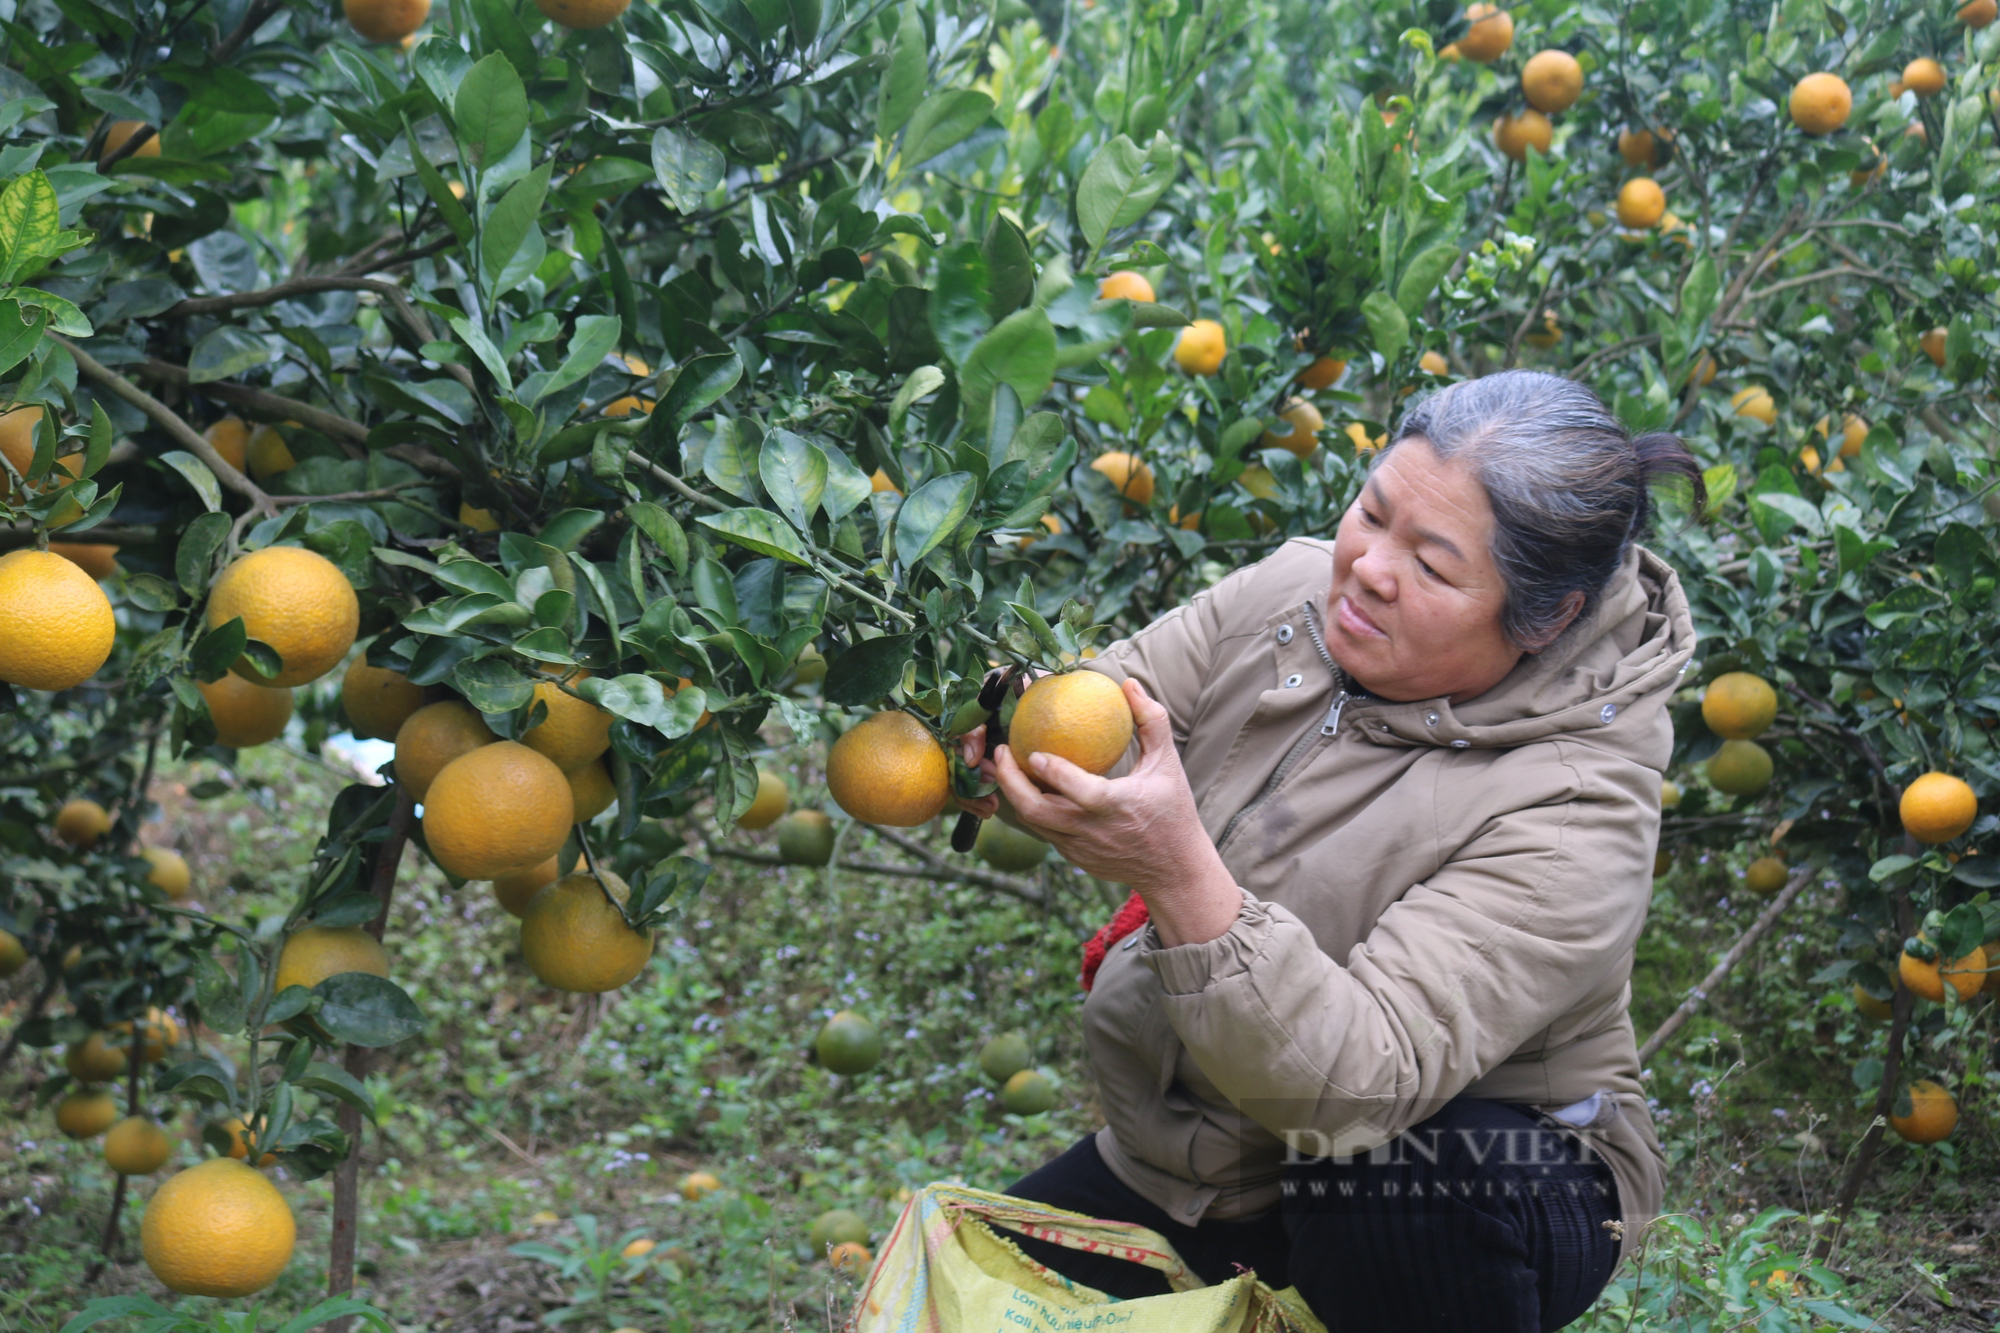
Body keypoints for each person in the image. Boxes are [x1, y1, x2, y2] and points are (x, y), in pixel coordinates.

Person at [955, 370, 1703, 1332]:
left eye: (1432, 567)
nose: (1368, 569)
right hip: (1217, 1156)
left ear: (1546, 615)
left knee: (1395, 1188)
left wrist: (1178, 867)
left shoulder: (1574, 807)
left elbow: (1353, 1091)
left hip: (1473, 1169)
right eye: (1372, 511)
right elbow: (1104, 712)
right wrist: (992, 729)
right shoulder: (1293, 592)